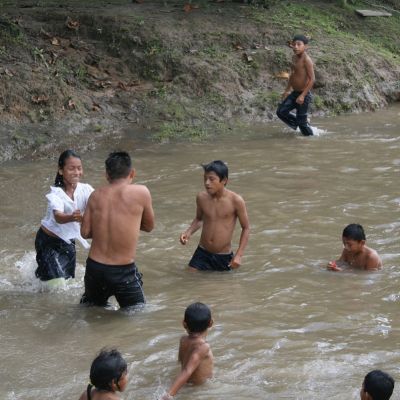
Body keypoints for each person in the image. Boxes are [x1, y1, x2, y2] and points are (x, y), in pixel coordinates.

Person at [80, 151, 154, 309]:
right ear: (132, 173)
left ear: (107, 175)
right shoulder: (141, 192)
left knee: (92, 311)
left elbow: (85, 233)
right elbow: (149, 226)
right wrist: (128, 223)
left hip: (94, 268)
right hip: (122, 272)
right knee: (137, 314)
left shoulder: (95, 195)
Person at [35, 149, 94, 284]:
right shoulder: (56, 193)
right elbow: (58, 217)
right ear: (61, 171)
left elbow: (99, 202)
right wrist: (73, 217)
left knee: (68, 283)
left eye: (79, 168)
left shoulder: (86, 189)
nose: (77, 172)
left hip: (68, 242)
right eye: (71, 168)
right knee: (56, 284)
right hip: (47, 242)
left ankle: (40, 275)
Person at [180, 160, 250, 271]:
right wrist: (188, 232)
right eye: (205, 178)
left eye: (211, 179)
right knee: (190, 279)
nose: (207, 183)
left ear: (224, 180)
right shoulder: (201, 197)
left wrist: (239, 255)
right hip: (202, 252)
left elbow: (246, 228)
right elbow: (199, 219)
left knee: (220, 287)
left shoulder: (236, 201)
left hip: (223, 256)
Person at [162, 302, 214, 399]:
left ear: (184, 324)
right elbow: (187, 371)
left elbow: (181, 361)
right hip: (198, 389)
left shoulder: (183, 339)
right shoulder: (203, 347)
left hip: (185, 384)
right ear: (211, 323)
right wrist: (169, 395)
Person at [276, 34, 315, 136]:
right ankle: (303, 121)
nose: (296, 47)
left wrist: (302, 95)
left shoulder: (307, 60)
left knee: (302, 124)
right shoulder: (294, 58)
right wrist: (287, 90)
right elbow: (292, 75)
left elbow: (312, 79)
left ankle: (310, 138)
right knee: (281, 112)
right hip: (294, 93)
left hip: (304, 95)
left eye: (299, 44)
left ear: (305, 47)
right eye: (294, 44)